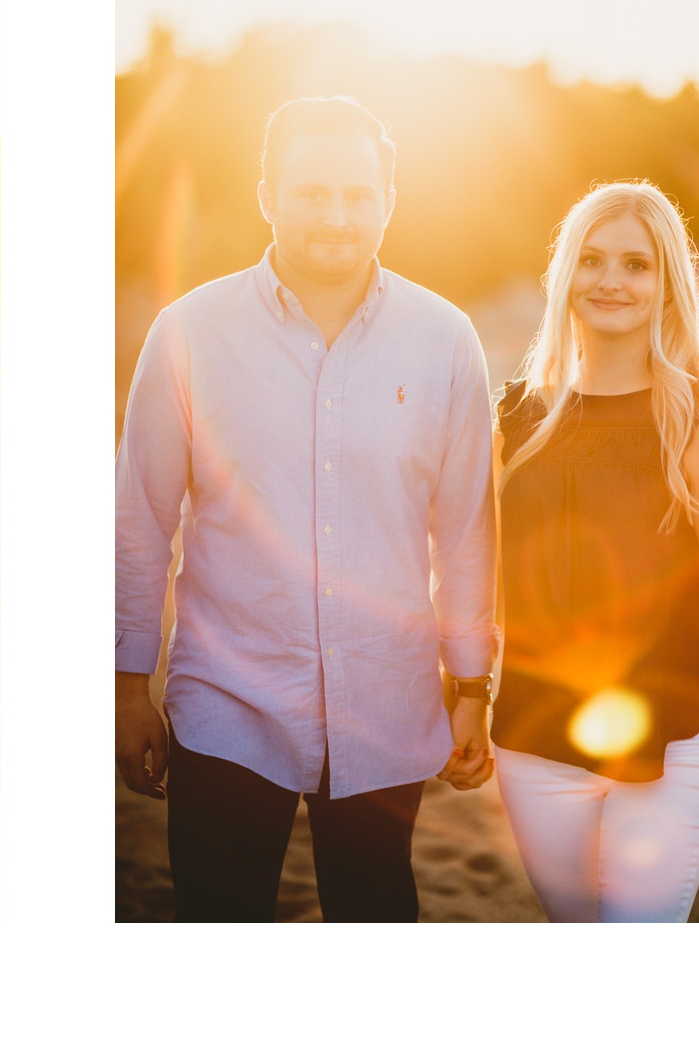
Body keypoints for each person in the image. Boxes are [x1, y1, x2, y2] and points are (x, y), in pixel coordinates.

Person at [114, 95, 499, 923]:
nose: (337, 215)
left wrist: (473, 682)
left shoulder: (445, 340)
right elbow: (142, 523)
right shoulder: (187, 333)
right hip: (226, 704)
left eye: (359, 195)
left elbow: (467, 530)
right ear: (267, 195)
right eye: (312, 191)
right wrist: (124, 688)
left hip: (390, 704)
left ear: (389, 201)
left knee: (375, 917)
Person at [490, 180, 699, 923]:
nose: (611, 280)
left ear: (667, 285)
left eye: (636, 264)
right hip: (533, 743)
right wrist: (462, 697)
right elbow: (475, 583)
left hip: (675, 747)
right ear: (565, 277)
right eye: (591, 260)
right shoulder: (516, 420)